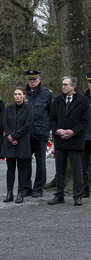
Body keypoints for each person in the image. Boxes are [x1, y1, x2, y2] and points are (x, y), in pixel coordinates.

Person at [48, 76, 89, 206]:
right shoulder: (57, 100)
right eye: (62, 84)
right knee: (59, 168)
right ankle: (59, 195)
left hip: (75, 140)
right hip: (60, 140)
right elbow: (52, 119)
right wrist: (57, 130)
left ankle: (78, 195)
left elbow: (85, 122)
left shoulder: (83, 101)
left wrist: (73, 132)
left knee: (77, 169)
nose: (63, 87)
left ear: (73, 86)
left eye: (66, 84)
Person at [24, 70, 54, 197]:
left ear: (39, 79)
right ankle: (26, 187)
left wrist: (49, 130)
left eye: (34, 79)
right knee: (25, 162)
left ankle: (38, 187)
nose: (32, 81)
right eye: (30, 79)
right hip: (25, 134)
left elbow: (52, 114)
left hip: (40, 133)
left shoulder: (47, 95)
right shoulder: (23, 94)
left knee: (41, 163)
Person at [1, 87, 32, 204]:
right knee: (10, 168)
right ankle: (9, 193)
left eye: (19, 94)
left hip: (22, 141)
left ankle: (20, 193)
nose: (17, 96)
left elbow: (28, 125)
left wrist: (15, 136)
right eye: (15, 94)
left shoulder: (29, 108)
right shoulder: (9, 108)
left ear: (24, 95)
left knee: (22, 169)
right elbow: (5, 123)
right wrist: (10, 136)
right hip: (10, 142)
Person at [82, 73, 91, 198]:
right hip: (85, 136)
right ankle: (85, 189)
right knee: (83, 165)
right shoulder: (84, 98)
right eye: (89, 82)